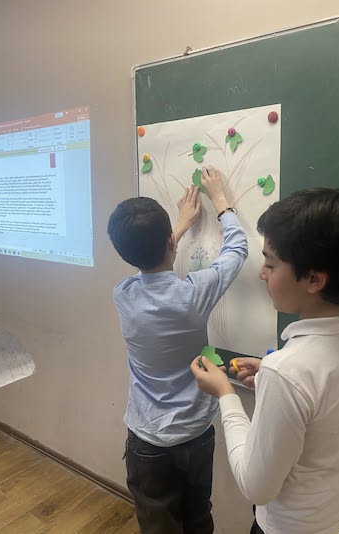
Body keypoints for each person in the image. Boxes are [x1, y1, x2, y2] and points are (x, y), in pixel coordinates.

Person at [191, 187, 339, 534]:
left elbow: (255, 487)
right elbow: (326, 410)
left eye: (270, 263)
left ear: (314, 279)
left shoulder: (287, 371)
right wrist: (272, 375)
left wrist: (226, 394)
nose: (262, 273)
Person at [107, 165, 248, 534]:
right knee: (198, 517)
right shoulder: (194, 294)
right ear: (170, 242)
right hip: (196, 433)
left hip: (148, 440)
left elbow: (149, 264)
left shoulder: (123, 294)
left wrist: (180, 227)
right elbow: (237, 248)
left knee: (158, 525)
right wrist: (220, 199)